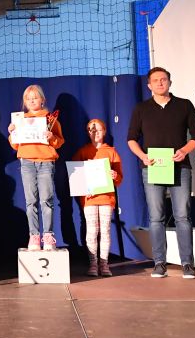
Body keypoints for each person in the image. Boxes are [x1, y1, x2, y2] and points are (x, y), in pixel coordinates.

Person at [127, 66, 195, 279]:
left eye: (164, 79)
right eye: (156, 80)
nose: (160, 83)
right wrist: (143, 156)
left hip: (180, 167)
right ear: (149, 85)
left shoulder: (184, 105)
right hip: (153, 168)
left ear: (170, 82)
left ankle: (187, 264)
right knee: (156, 217)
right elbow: (131, 138)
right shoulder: (141, 108)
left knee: (183, 216)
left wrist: (184, 151)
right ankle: (159, 263)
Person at [7, 85, 64, 251]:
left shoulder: (49, 118)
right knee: (30, 201)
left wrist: (51, 137)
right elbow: (15, 145)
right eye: (28, 98)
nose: (32, 101)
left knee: (46, 200)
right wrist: (12, 133)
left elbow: (60, 141)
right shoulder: (20, 119)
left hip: (46, 162)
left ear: (42, 100)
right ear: (24, 102)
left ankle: (48, 236)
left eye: (35, 97)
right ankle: (34, 236)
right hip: (27, 162)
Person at [73, 118, 124, 276]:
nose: (95, 133)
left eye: (99, 130)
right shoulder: (83, 152)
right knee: (92, 231)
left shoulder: (111, 152)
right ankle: (93, 264)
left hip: (106, 198)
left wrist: (115, 175)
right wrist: (83, 188)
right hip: (89, 199)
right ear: (88, 132)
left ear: (105, 132)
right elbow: (75, 175)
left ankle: (104, 264)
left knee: (105, 231)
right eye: (92, 130)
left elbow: (119, 178)